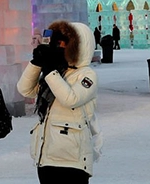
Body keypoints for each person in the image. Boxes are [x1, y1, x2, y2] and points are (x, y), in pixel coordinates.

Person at [17, 20, 99, 184]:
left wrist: (49, 70)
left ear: (77, 46)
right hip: (47, 156)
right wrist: (36, 63)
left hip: (72, 160)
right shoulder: (58, 72)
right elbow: (25, 89)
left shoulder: (86, 75)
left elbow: (70, 98)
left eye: (63, 44)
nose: (59, 48)